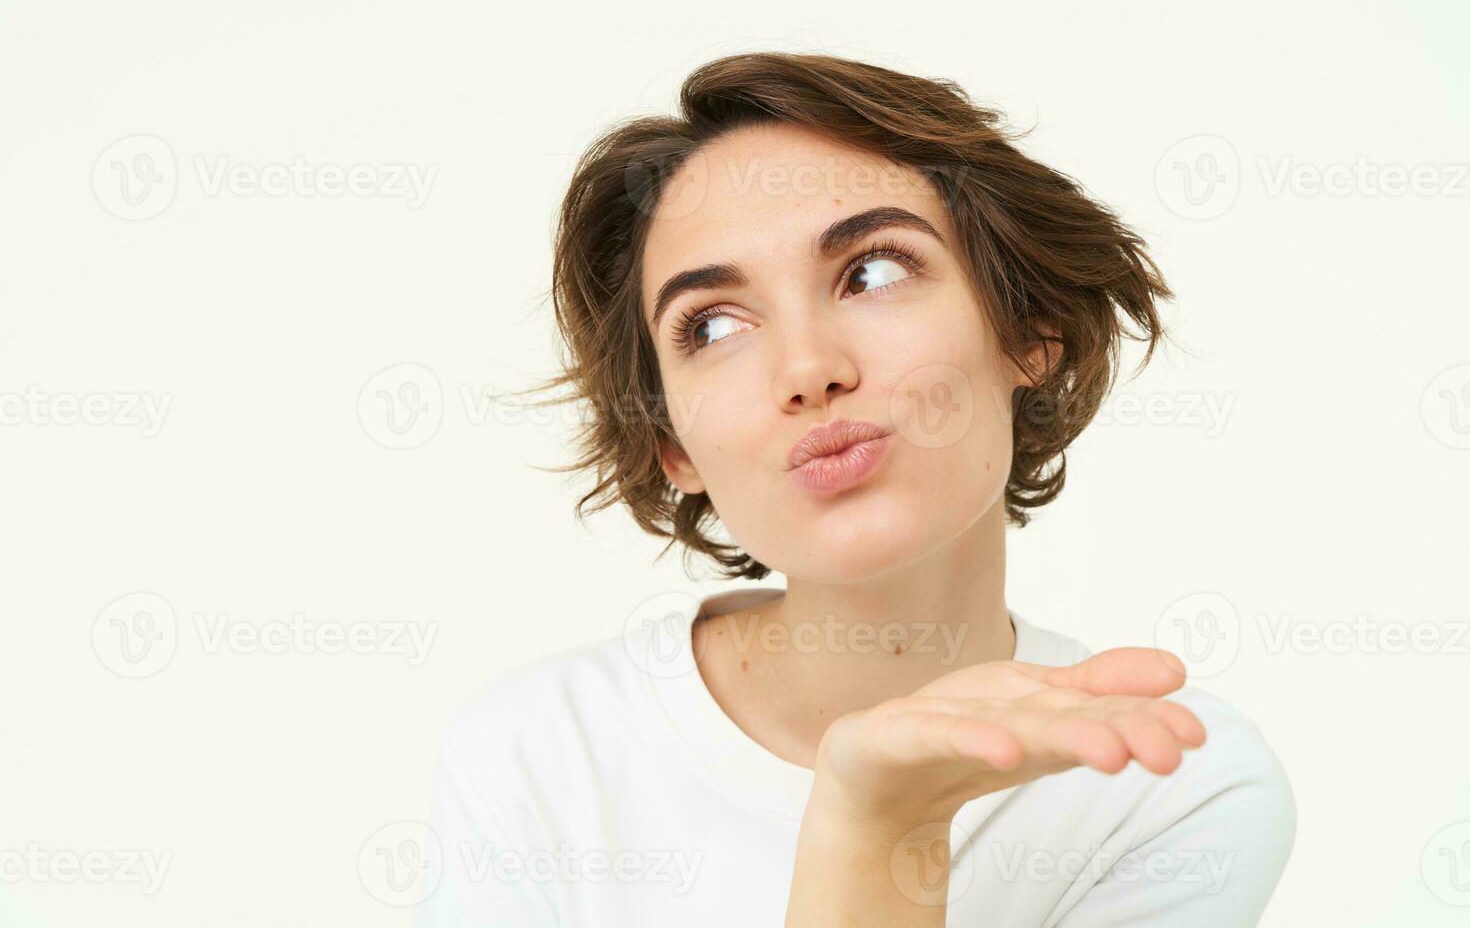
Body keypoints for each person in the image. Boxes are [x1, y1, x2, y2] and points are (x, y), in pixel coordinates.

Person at [414, 52, 1295, 926]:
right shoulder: (536, 758)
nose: (808, 370)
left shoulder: (1169, 783)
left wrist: (891, 822)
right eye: (712, 325)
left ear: (1030, 326)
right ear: (670, 443)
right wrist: (876, 826)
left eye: (872, 271)